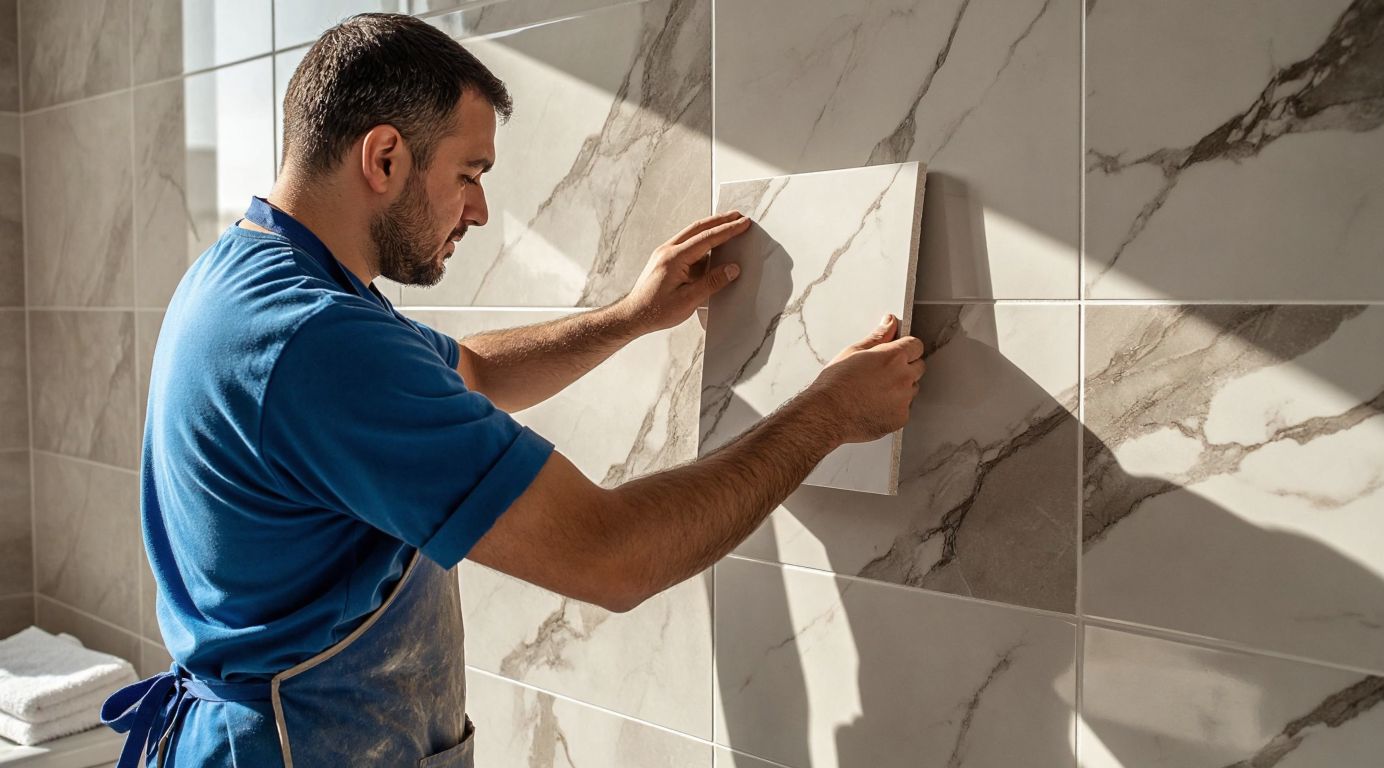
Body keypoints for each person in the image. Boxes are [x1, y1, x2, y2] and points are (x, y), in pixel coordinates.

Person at [100, 12, 925, 767]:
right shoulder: (318, 343)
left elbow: (473, 373)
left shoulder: (254, 276)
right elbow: (614, 556)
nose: (482, 210)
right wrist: (827, 414)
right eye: (470, 172)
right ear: (384, 158)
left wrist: (631, 317)